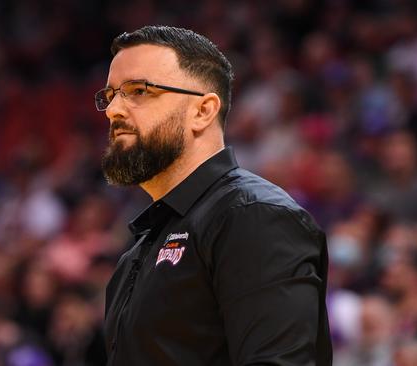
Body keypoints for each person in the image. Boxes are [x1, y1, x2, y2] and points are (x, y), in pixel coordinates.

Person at [96, 25, 332, 365]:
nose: (113, 110)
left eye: (139, 91)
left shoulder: (254, 216)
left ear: (203, 111)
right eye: (110, 95)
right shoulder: (135, 252)